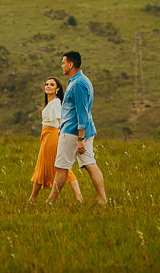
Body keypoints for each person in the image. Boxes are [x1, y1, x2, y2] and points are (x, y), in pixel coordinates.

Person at [47, 51, 108, 205]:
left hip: (74, 132)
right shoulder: (79, 80)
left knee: (61, 168)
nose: (61, 66)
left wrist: (80, 138)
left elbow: (82, 111)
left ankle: (50, 202)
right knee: (90, 164)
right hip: (79, 130)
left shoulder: (78, 84)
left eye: (63, 63)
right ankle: (103, 201)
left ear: (70, 64)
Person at [29, 77, 83, 204]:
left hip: (52, 136)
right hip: (47, 136)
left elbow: (60, 121)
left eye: (51, 85)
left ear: (57, 89)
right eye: (46, 84)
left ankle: (33, 198)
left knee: (55, 167)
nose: (48, 86)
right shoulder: (50, 103)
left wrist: (61, 131)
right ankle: (33, 198)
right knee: (47, 166)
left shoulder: (55, 103)